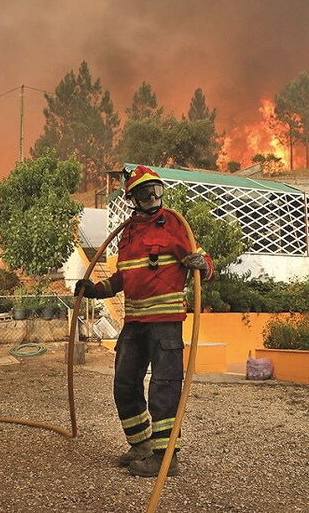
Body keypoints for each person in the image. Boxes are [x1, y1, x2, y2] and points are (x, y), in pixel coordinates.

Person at [75, 165, 213, 478]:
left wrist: (201, 264)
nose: (153, 197)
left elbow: (205, 262)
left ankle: (166, 457)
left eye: (157, 191)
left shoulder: (175, 225)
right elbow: (123, 278)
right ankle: (140, 445)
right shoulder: (128, 233)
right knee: (124, 383)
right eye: (145, 193)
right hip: (135, 322)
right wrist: (94, 290)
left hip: (165, 323)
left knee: (164, 387)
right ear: (133, 198)